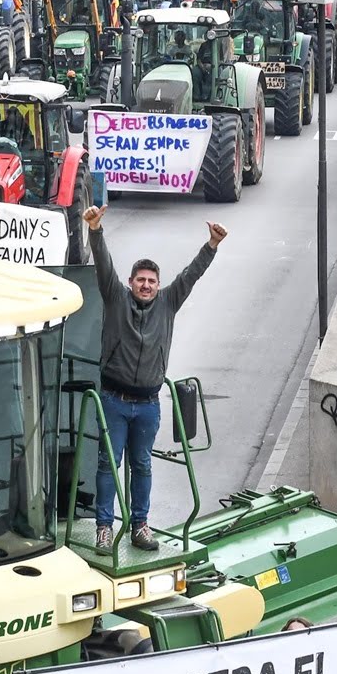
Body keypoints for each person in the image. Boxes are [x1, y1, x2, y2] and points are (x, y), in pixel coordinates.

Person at [83, 205, 225, 554]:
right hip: (114, 401)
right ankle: (104, 527)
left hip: (147, 404)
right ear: (130, 283)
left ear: (158, 286)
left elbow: (191, 275)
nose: (145, 285)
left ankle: (139, 526)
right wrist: (96, 230)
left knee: (142, 464)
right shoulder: (115, 298)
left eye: (151, 281)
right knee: (108, 464)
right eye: (140, 280)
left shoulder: (168, 302)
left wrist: (211, 245)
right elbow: (103, 265)